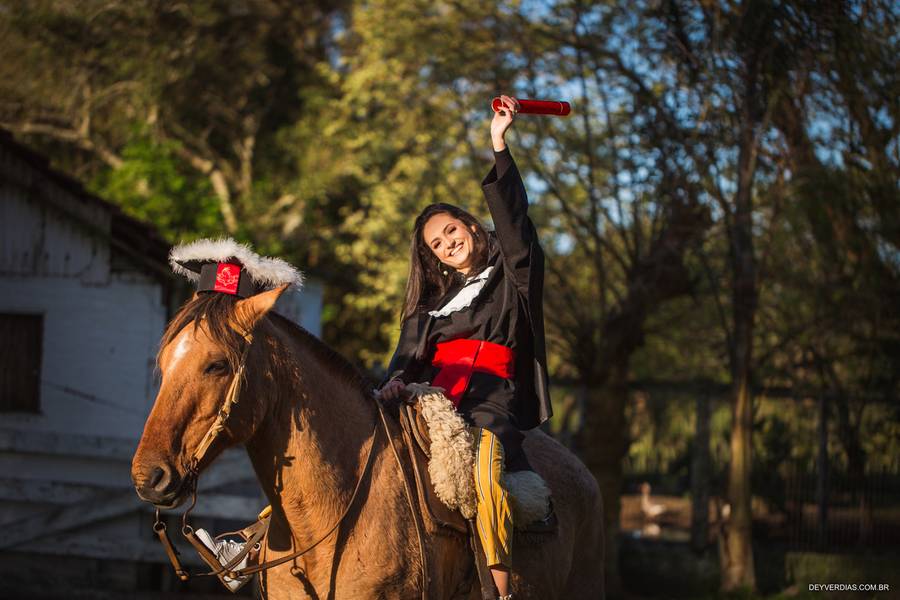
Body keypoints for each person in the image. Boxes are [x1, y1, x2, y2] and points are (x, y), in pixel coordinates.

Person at [376, 95, 553, 600]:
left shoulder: (513, 276)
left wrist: (498, 146)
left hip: (490, 401)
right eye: (436, 243)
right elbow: (405, 358)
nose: (447, 242)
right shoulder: (432, 304)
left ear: (472, 225)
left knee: (484, 468)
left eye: (450, 229)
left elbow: (518, 228)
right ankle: (256, 542)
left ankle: (497, 590)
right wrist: (392, 383)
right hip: (428, 398)